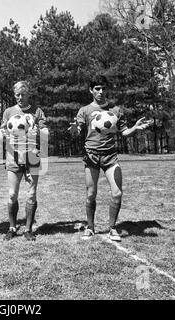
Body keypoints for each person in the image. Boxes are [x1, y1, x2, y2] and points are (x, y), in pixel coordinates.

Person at [68, 75, 151, 241]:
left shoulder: (116, 110)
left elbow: (125, 132)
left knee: (117, 193)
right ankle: (90, 228)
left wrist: (135, 127)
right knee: (91, 194)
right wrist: (74, 130)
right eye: (97, 88)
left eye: (103, 88)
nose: (101, 91)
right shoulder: (84, 110)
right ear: (91, 90)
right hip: (91, 156)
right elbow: (77, 131)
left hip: (110, 157)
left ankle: (112, 228)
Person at [0, 81, 49, 241]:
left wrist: (39, 132)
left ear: (29, 94)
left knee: (31, 194)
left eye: (23, 94)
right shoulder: (8, 112)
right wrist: (3, 135)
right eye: (17, 94)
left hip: (32, 157)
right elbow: (1, 134)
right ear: (14, 95)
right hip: (13, 158)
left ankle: (28, 229)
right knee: (12, 194)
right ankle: (12, 227)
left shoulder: (37, 111)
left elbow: (46, 132)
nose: (20, 97)